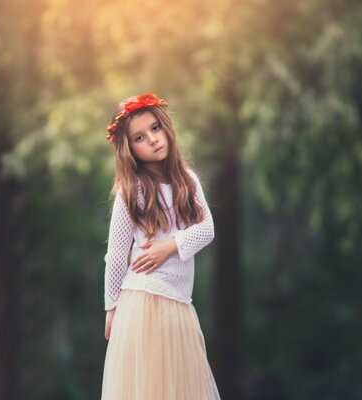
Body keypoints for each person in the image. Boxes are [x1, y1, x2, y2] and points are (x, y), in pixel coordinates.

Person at [101, 93, 221, 400]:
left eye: (155, 128)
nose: (153, 140)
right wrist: (111, 308)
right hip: (143, 302)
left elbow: (206, 229)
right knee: (150, 389)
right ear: (131, 150)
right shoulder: (133, 191)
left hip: (179, 305)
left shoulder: (188, 182)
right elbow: (116, 253)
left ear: (166, 127)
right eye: (140, 137)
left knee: (178, 389)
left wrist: (169, 246)